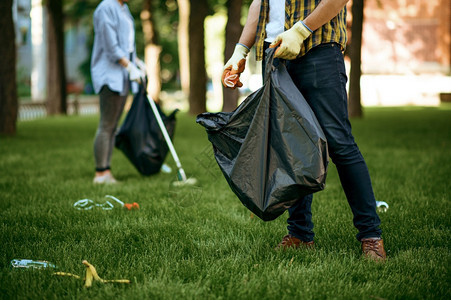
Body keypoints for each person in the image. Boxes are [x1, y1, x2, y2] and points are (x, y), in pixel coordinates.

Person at [222, 0, 386, 261]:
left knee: (339, 144)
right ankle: (299, 234)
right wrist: (241, 50)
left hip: (318, 49)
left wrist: (301, 30)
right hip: (274, 54)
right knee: (291, 147)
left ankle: (371, 236)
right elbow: (259, 3)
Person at [90, 0, 145, 184]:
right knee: (106, 125)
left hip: (122, 75)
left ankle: (106, 171)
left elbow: (126, 45)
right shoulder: (106, 8)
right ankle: (100, 173)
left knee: (113, 126)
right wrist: (130, 66)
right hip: (109, 75)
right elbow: (111, 47)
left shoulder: (124, 8)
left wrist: (136, 62)